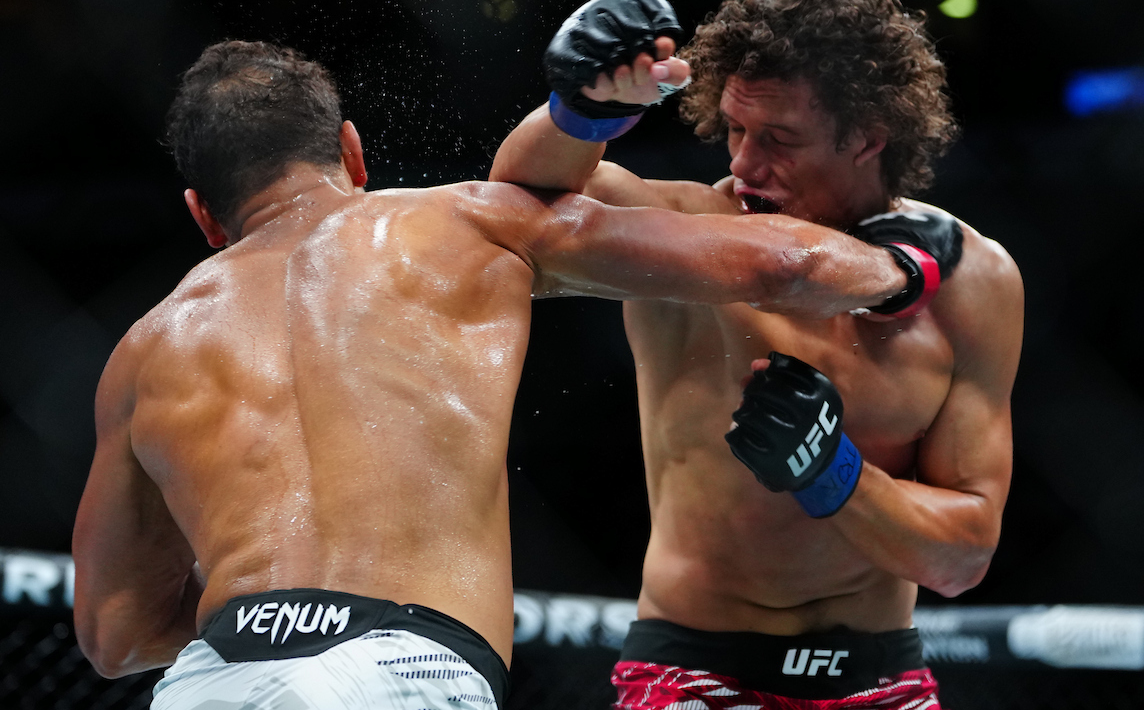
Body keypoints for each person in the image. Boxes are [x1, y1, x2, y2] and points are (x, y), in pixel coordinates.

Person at [70, 40, 931, 710]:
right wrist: (903, 268)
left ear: (202, 214)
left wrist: (263, 597)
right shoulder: (463, 222)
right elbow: (773, 263)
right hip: (402, 664)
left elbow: (114, 632)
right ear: (351, 151)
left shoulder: (146, 349)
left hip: (217, 676)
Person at [490, 0, 1024, 709]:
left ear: (868, 137)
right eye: (735, 129)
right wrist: (583, 111)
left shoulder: (975, 280)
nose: (743, 163)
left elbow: (962, 557)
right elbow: (519, 207)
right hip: (698, 675)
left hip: (883, 682)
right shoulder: (685, 234)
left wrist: (832, 471)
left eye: (778, 138)